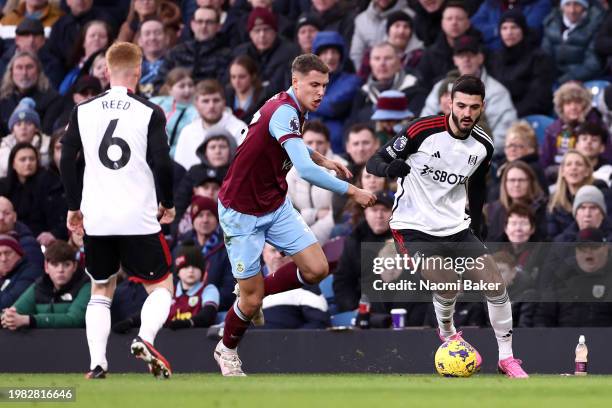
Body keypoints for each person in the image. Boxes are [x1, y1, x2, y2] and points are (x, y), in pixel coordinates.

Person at [214, 54, 376, 376]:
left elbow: (295, 148)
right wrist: (354, 192)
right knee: (248, 302)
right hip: (240, 213)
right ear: (296, 82)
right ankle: (227, 349)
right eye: (314, 85)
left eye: (324, 86)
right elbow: (302, 169)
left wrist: (325, 160)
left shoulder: (291, 107)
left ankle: (255, 290)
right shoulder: (283, 111)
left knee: (317, 269)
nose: (320, 92)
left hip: (274, 205)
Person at [366, 75, 529, 378]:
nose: (467, 113)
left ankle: (507, 358)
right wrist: (390, 168)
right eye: (461, 105)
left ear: (482, 107)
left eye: (474, 107)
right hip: (412, 224)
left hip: (455, 225)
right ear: (450, 104)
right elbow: (373, 162)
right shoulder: (421, 130)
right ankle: (448, 331)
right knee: (448, 282)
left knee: (495, 283)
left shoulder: (483, 145)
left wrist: (478, 227)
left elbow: (478, 188)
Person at [59, 42, 176, 380]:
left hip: (97, 216)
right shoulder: (149, 111)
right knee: (161, 287)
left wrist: (73, 206)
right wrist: (167, 203)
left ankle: (97, 363)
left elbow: (67, 160)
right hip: (138, 215)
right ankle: (146, 338)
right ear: (138, 72)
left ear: (106, 72)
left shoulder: (82, 111)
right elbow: (163, 163)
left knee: (101, 288)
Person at [1, 240, 90, 330]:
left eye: (66, 265)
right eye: (55, 264)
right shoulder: (40, 286)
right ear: (46, 267)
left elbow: (74, 319)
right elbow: (17, 310)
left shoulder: (85, 285)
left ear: (74, 266)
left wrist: (30, 320)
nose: (60, 270)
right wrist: (8, 317)